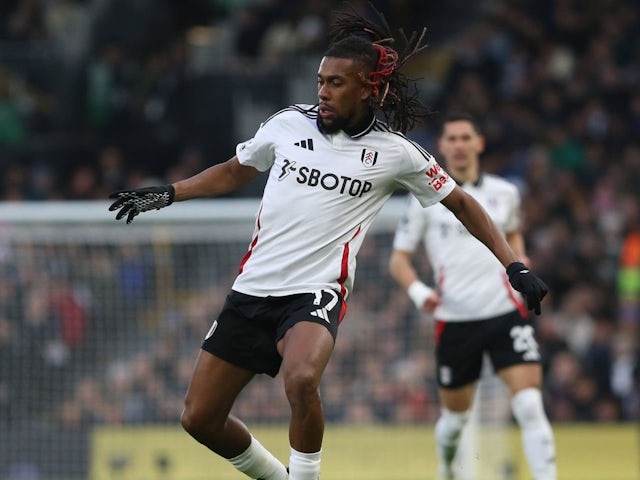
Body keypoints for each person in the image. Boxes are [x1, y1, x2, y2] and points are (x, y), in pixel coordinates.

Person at [108, 5, 549, 480]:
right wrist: (170, 192)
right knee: (199, 418)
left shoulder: (396, 153)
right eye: (320, 81)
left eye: (336, 83)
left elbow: (462, 204)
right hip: (253, 289)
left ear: (368, 88)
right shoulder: (286, 124)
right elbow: (234, 171)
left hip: (316, 290)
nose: (322, 91)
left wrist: (512, 265)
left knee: (300, 378)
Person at [389, 113, 556, 480]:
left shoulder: (506, 193)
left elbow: (513, 235)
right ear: (443, 147)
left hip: (504, 313)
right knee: (455, 420)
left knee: (529, 405)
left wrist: (520, 259)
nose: (460, 144)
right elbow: (398, 259)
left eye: (466, 137)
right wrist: (419, 293)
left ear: (478, 143)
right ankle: (448, 469)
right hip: (455, 319)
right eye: (452, 138)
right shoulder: (423, 200)